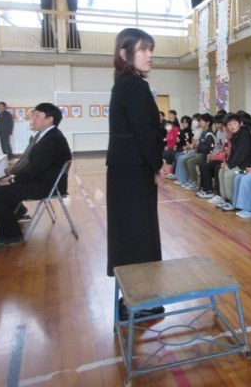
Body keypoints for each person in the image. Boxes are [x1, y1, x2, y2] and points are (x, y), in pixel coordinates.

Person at [105, 28, 166, 320]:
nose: (149, 55)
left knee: (129, 235)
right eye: (143, 49)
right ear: (124, 53)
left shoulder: (123, 83)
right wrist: (157, 164)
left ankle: (133, 298)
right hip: (134, 169)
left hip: (125, 170)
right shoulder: (135, 85)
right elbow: (146, 132)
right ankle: (140, 300)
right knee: (139, 236)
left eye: (150, 49)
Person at [0, 103, 71, 245]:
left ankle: (10, 235)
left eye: (37, 115)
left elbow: (35, 169)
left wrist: (12, 180)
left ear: (50, 119)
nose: (33, 118)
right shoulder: (46, 136)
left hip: (48, 185)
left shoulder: (53, 139)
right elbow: (33, 166)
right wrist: (12, 177)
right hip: (42, 180)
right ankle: (17, 213)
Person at [213, 113, 251, 209]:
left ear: (240, 123)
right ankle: (226, 199)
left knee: (228, 174)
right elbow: (233, 153)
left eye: (234, 123)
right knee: (221, 171)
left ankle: (234, 201)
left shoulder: (245, 135)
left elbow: (241, 154)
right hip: (239, 163)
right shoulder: (235, 136)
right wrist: (226, 162)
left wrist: (230, 165)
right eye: (229, 124)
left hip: (246, 166)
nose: (231, 126)